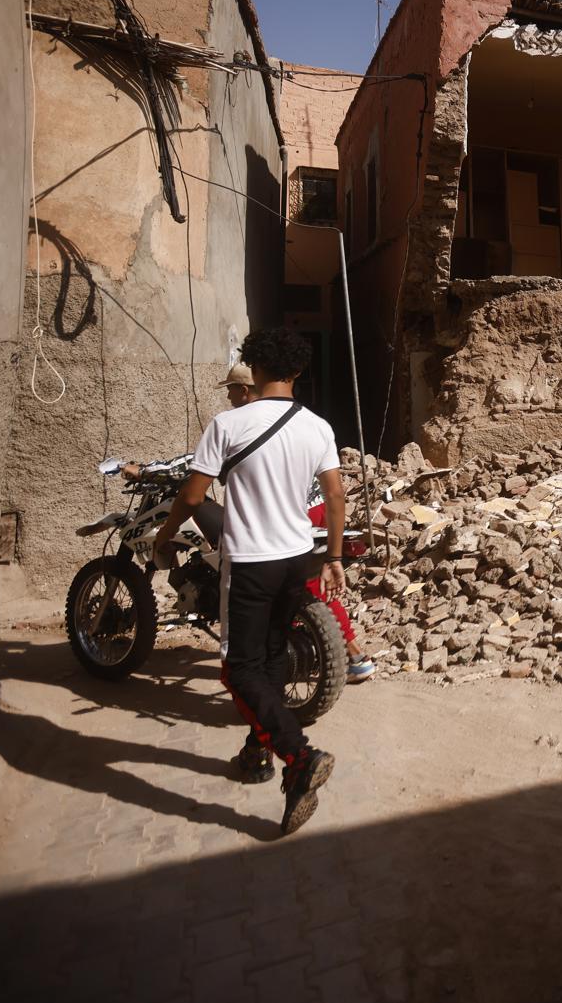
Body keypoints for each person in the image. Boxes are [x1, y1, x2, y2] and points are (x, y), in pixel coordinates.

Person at [154, 327, 344, 837]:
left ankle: (298, 757)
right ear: (297, 371)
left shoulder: (228, 423)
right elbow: (336, 495)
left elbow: (194, 497)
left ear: (253, 370)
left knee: (240, 668)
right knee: (274, 654)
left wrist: (165, 536)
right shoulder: (318, 427)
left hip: (251, 563)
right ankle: (258, 748)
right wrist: (334, 554)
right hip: (296, 557)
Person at [129, 363, 376, 684]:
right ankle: (338, 651)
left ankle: (350, 654)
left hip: (288, 514)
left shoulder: (237, 423)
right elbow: (334, 492)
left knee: (300, 589)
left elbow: (192, 467)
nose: (229, 396)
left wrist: (146, 471)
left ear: (246, 390)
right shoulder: (301, 420)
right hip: (313, 508)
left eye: (231, 389)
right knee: (308, 586)